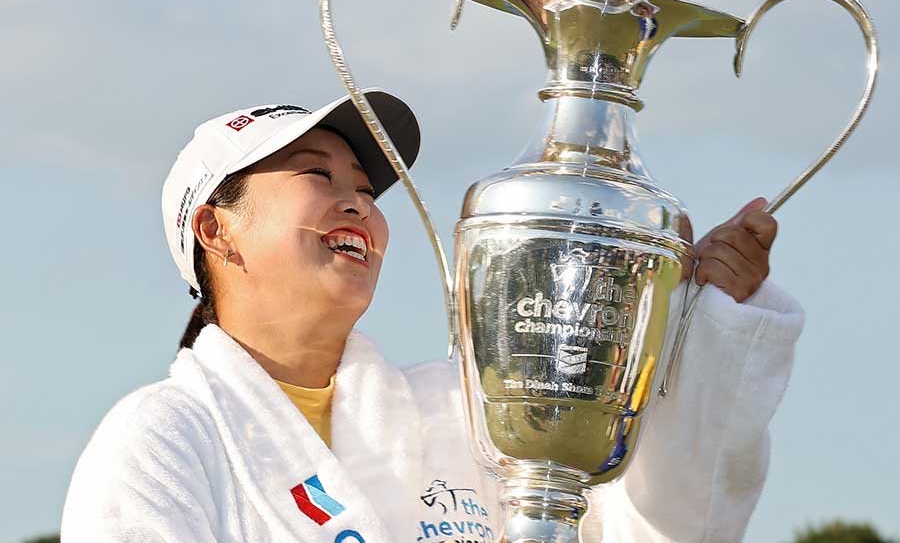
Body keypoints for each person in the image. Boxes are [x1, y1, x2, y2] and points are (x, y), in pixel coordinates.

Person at [61, 90, 804, 542]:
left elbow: (664, 528)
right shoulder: (165, 439)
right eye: (318, 174)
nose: (358, 203)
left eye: (367, 189)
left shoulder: (474, 411)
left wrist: (706, 330)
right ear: (215, 230)